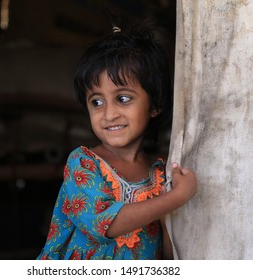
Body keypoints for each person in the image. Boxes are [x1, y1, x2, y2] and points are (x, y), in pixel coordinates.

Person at [37, 20, 197, 260]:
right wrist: (175, 199)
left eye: (123, 98)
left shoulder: (161, 175)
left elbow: (166, 255)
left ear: (154, 105)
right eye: (97, 102)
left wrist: (168, 219)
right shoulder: (82, 164)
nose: (109, 114)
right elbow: (105, 224)